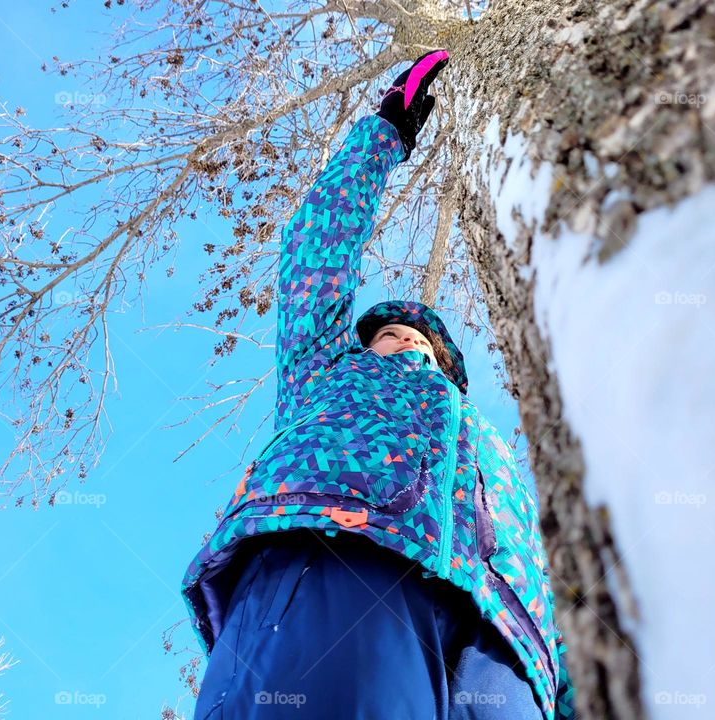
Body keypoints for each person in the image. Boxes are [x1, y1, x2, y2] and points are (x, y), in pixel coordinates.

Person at [180, 49, 575, 720]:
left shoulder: (486, 442)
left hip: (507, 641)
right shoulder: (326, 372)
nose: (403, 342)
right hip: (336, 557)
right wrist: (386, 131)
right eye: (387, 335)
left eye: (418, 340)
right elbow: (316, 252)